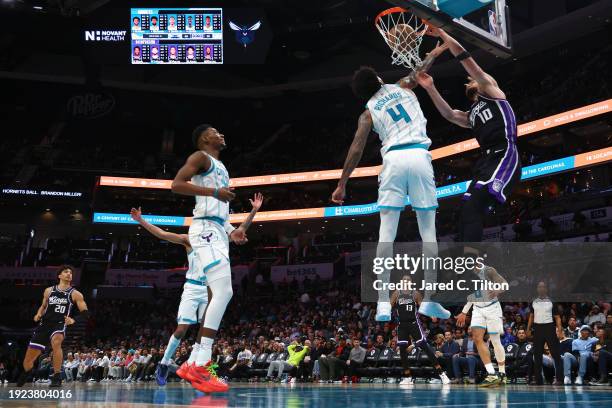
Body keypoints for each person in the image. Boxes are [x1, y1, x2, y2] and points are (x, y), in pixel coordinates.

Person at [331, 39, 450, 322]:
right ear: (379, 79)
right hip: (419, 156)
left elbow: (357, 148)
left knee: (387, 234)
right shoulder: (402, 85)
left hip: (392, 161)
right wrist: (436, 50)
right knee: (428, 232)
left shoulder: (367, 112)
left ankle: (383, 302)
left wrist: (342, 183)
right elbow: (421, 68)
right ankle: (430, 300)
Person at [416, 27, 521, 246]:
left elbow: (464, 56)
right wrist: (430, 87)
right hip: (486, 160)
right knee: (465, 209)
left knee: (475, 203)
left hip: (505, 153)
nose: (471, 79)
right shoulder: (472, 113)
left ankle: (472, 262)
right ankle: (468, 264)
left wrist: (442, 33)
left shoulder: (491, 92)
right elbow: (449, 114)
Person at [171, 124, 250, 393]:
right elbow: (177, 185)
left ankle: (192, 361)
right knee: (223, 292)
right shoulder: (200, 157)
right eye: (218, 131)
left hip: (216, 229)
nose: (223, 134)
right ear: (205, 137)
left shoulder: (221, 166)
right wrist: (213, 192)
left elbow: (219, 212)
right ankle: (202, 363)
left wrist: (232, 230)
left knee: (220, 293)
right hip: (204, 230)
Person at [17, 265, 89, 387]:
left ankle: (57, 375)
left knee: (56, 342)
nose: (69, 274)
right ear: (59, 275)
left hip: (59, 324)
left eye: (71, 273)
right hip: (44, 324)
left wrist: (73, 320)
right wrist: (38, 313)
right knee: (27, 361)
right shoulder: (49, 290)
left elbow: (85, 312)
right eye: (66, 272)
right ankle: (28, 372)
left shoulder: (75, 294)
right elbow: (43, 306)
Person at [455, 265, 508, 387]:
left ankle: (502, 374)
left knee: (495, 341)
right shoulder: (466, 275)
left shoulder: (489, 270)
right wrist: (464, 312)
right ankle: (492, 374)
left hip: (492, 308)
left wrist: (497, 290)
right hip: (478, 309)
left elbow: (504, 284)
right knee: (477, 339)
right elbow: (472, 296)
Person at [391, 275, 450, 384]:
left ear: (411, 282)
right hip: (402, 325)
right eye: (404, 280)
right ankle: (408, 377)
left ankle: (442, 374)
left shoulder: (415, 293)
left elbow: (423, 307)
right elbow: (389, 306)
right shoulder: (396, 293)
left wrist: (432, 314)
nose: (406, 281)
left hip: (414, 324)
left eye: (408, 280)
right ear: (401, 282)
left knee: (425, 347)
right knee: (403, 350)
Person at [526, 281, 563, 385]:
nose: (541, 288)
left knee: (556, 354)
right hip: (537, 328)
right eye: (539, 286)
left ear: (546, 289)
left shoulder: (552, 301)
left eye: (543, 286)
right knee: (537, 355)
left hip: (549, 327)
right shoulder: (533, 301)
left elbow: (557, 317)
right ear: (537, 289)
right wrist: (528, 329)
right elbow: (531, 316)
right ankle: (538, 380)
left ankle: (559, 379)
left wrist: (560, 331)